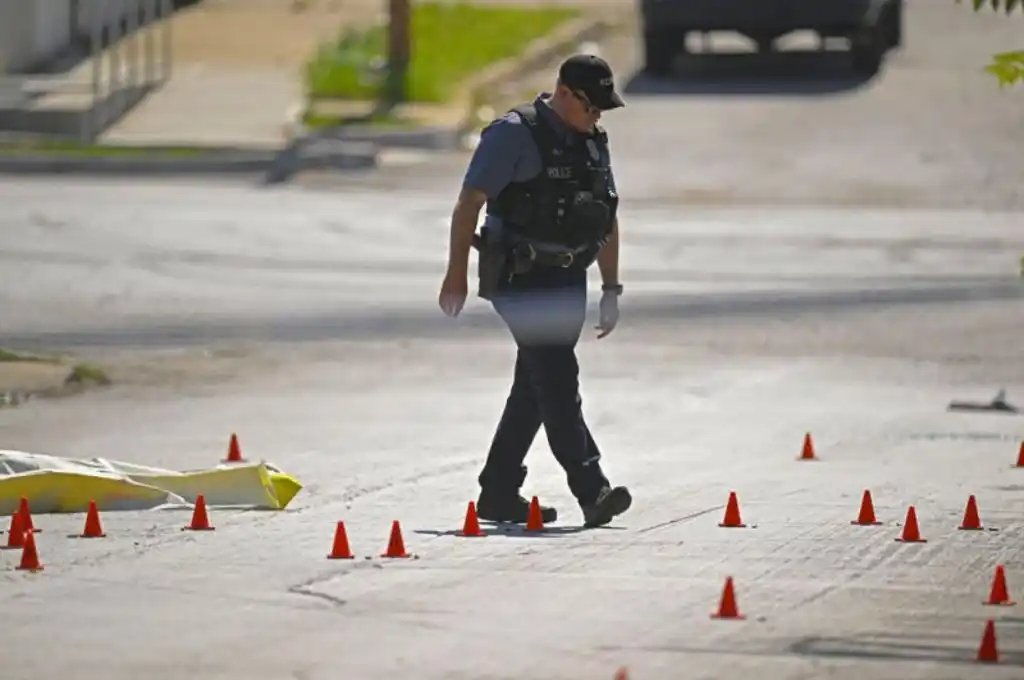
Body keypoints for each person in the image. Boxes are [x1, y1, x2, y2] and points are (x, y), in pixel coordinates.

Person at [437, 54, 632, 528]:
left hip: (567, 277)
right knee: (559, 381)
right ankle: (593, 488)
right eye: (591, 107)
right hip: (519, 278)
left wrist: (610, 288)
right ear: (564, 94)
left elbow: (605, 218)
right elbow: (469, 204)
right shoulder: (513, 134)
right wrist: (456, 272)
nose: (598, 117)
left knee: (535, 386)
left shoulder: (590, 144)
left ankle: (498, 491)